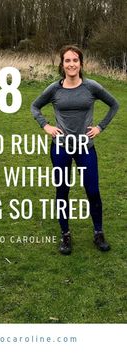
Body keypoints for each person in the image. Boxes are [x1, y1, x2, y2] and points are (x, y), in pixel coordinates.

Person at [31, 44, 119, 255]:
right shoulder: (54, 89)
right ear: (62, 64)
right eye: (67, 60)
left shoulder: (91, 87)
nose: (71, 64)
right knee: (62, 191)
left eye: (75, 60)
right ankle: (65, 235)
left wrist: (100, 127)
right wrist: (46, 125)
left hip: (85, 147)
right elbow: (35, 106)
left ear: (81, 63)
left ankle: (98, 232)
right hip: (60, 148)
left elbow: (114, 104)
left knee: (93, 191)